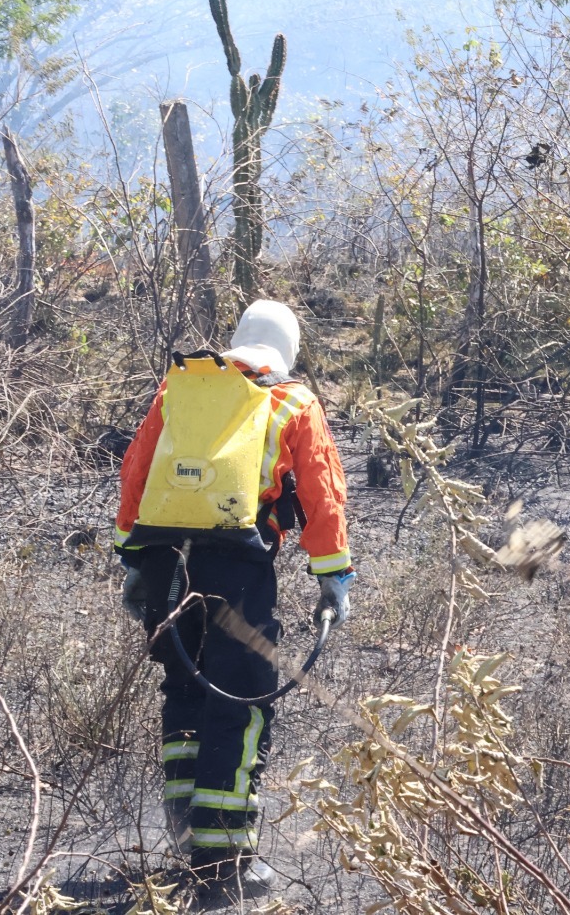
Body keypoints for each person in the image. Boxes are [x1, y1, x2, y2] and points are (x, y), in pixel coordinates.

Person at [114, 300, 353, 901]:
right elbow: (323, 496)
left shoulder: (183, 388)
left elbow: (136, 473)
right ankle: (224, 860)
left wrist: (135, 560)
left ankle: (184, 834)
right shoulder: (293, 400)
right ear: (289, 349)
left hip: (168, 561)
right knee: (242, 697)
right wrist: (333, 577)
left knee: (185, 689)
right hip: (237, 568)